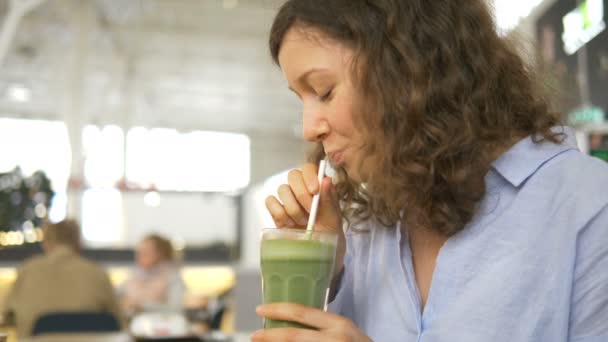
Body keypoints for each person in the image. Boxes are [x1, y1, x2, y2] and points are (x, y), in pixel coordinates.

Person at [253, 1, 608, 341]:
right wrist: (326, 269)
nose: (308, 128)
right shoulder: (367, 226)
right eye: (301, 99)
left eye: (324, 91)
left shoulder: (590, 206)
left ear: (407, 68)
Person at [1, 219, 123, 338]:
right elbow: (119, 322)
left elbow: (6, 315)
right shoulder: (98, 273)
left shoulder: (27, 271)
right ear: (78, 243)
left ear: (46, 243)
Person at [120, 233, 185, 315]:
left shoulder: (173, 278)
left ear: (161, 254)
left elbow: (176, 309)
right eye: (139, 252)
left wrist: (142, 306)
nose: (139, 257)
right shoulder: (134, 277)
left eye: (146, 252)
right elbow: (113, 298)